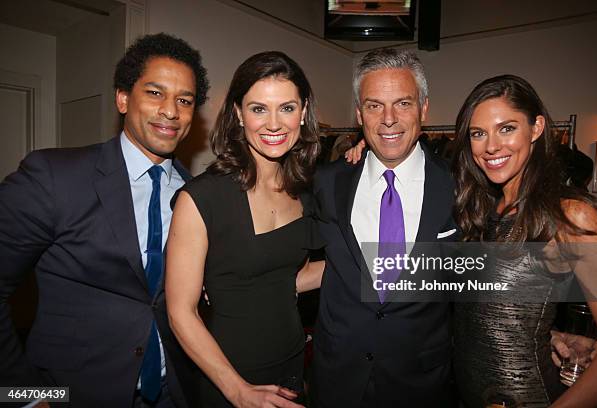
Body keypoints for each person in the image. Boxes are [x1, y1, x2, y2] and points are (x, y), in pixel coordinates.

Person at [0, 33, 210, 407]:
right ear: (123, 98)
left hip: (173, 395)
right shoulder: (53, 176)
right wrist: (27, 398)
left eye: (185, 100)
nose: (171, 111)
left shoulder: (197, 195)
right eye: (155, 93)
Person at [165, 51, 324, 408]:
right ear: (238, 113)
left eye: (286, 108)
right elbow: (180, 312)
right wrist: (237, 389)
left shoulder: (304, 191)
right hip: (230, 377)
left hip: (292, 366)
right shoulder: (202, 198)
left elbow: (288, 277)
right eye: (258, 109)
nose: (274, 124)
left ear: (303, 111)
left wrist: (376, 264)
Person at [451, 74, 597, 407]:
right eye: (478, 134)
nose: (491, 146)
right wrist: (543, 333)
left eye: (506, 128)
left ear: (536, 127)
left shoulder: (571, 215)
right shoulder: (481, 210)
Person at [311, 49, 458, 407]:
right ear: (360, 114)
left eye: (403, 103)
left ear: (423, 109)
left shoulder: (460, 186)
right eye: (375, 106)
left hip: (420, 383)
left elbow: (483, 274)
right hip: (337, 380)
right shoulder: (328, 183)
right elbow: (298, 257)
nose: (388, 119)